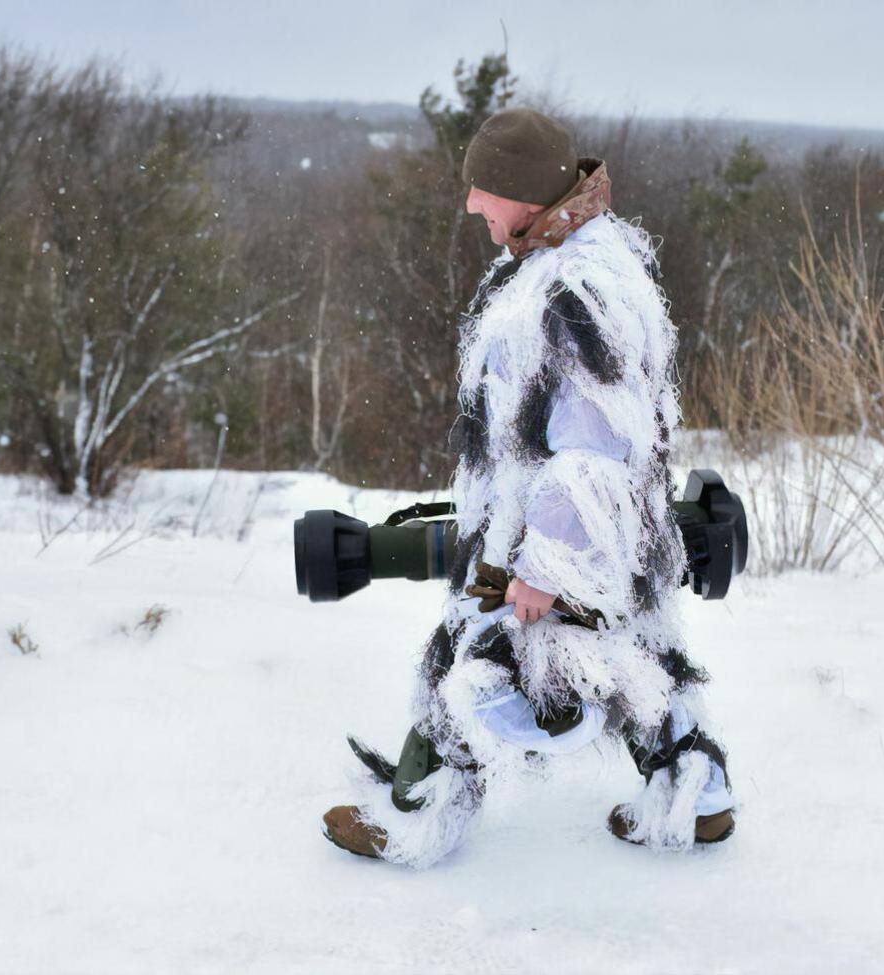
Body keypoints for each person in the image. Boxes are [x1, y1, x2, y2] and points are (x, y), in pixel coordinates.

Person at [321, 107, 736, 868]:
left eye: (483, 187)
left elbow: (592, 448)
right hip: (612, 527)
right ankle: (696, 795)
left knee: (468, 650)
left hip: (547, 530)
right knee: (639, 640)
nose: (472, 203)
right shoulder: (570, 261)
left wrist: (544, 566)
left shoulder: (576, 286)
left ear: (522, 190)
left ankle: (415, 813)